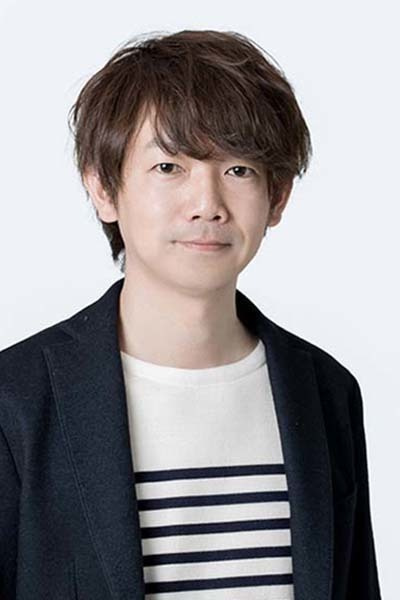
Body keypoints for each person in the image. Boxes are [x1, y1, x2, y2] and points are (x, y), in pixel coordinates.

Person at [0, 29, 381, 600]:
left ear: (277, 197)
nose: (207, 205)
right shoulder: (17, 401)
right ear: (103, 187)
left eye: (238, 170)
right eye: (168, 167)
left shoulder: (326, 392)